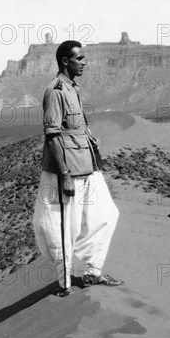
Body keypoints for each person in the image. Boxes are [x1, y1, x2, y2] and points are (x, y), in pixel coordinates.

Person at [32, 40, 123, 297]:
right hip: (67, 170)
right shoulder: (56, 91)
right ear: (65, 61)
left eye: (83, 58)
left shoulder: (73, 88)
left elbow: (79, 126)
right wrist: (65, 174)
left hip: (86, 164)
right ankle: (65, 285)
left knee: (106, 215)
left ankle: (92, 270)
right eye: (79, 58)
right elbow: (52, 136)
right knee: (64, 227)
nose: (84, 62)